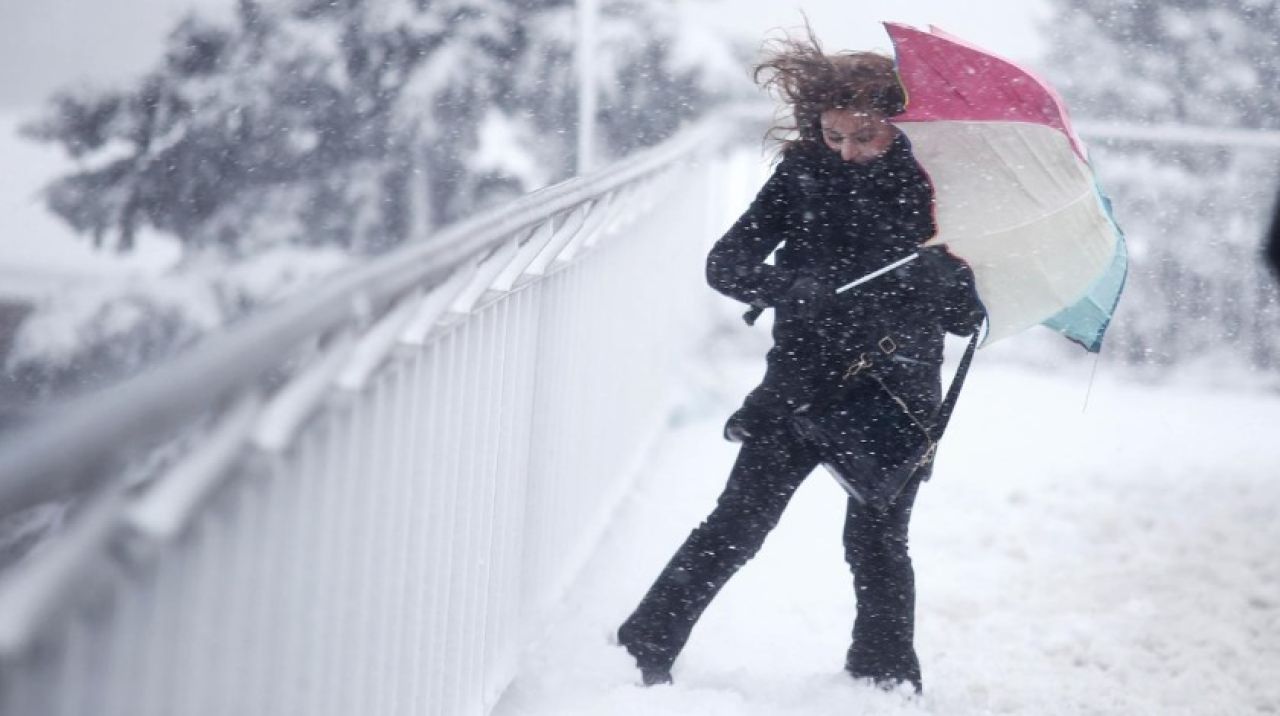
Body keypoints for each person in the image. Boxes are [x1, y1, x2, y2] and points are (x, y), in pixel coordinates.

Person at [615, 29, 985, 693]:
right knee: (738, 525)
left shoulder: (941, 191)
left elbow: (969, 317)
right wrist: (794, 287)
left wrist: (941, 281)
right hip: (800, 384)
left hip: (896, 391)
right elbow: (724, 263)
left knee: (876, 542)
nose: (847, 152)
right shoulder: (804, 173)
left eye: (864, 137)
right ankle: (644, 643)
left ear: (897, 127)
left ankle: (885, 679)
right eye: (834, 135)